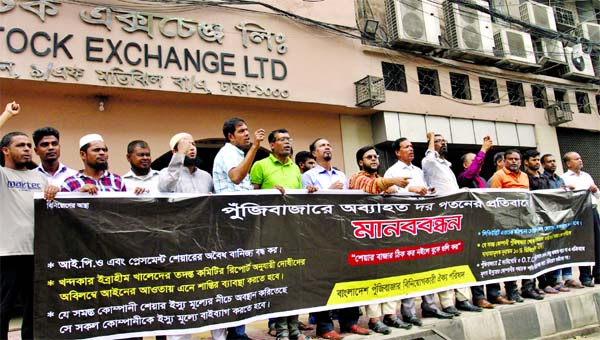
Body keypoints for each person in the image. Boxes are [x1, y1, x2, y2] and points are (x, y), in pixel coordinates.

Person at [0, 101, 58, 340]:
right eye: (20, 145)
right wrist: (5, 115)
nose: (27, 149)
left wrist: (57, 190)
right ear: (5, 150)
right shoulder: (2, 175)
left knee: (34, 309)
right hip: (8, 253)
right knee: (4, 308)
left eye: (28, 146)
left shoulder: (40, 178)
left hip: (37, 253)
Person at [302, 138, 370, 340]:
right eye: (322, 146)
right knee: (323, 280)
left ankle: (350, 323)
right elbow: (308, 207)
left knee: (348, 277)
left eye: (329, 145)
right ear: (314, 153)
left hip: (343, 233)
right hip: (320, 235)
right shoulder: (308, 177)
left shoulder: (342, 175)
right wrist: (329, 191)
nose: (327, 147)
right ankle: (324, 326)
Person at [250, 129, 311, 340]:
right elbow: (253, 199)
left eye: (289, 139)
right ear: (272, 144)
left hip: (294, 232)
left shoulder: (295, 168)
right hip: (271, 234)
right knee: (276, 283)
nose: (287, 142)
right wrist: (269, 194)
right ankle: (281, 330)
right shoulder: (260, 166)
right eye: (282, 140)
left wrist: (308, 192)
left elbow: (298, 198)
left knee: (294, 282)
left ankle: (294, 328)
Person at [383, 137, 451, 323]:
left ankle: (429, 305)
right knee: (409, 269)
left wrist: (429, 190)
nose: (411, 150)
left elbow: (423, 190)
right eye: (406, 147)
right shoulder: (393, 171)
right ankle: (408, 311)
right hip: (405, 226)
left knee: (427, 266)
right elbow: (391, 195)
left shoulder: (418, 171)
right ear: (397, 152)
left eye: (412, 147)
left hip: (424, 225)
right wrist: (412, 190)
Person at [155, 133, 213, 340]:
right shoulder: (165, 174)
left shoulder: (206, 177)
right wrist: (178, 159)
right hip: (178, 245)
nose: (192, 147)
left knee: (209, 293)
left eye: (194, 143)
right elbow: (166, 188)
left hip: (204, 244)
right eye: (186, 144)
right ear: (174, 151)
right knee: (181, 296)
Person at [349, 145, 412, 334]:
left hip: (386, 236)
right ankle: (375, 320)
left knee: (390, 276)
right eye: (369, 157)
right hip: (365, 238)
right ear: (361, 162)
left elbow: (389, 188)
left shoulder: (382, 179)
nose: (374, 159)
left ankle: (391, 316)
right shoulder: (356, 178)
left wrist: (392, 187)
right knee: (373, 279)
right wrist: (391, 183)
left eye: (376, 156)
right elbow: (371, 187)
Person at [213, 118, 265, 340]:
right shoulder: (227, 153)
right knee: (234, 279)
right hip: (230, 224)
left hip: (242, 223)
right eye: (242, 131)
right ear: (230, 136)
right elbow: (236, 177)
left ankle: (238, 332)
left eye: (248, 130)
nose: (247, 134)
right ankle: (235, 333)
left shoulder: (237, 154)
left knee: (242, 278)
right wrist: (255, 146)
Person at [422, 132, 482, 315]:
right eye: (438, 141)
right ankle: (447, 303)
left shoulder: (447, 166)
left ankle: (463, 299)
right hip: (442, 217)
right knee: (444, 261)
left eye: (444, 141)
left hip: (455, 217)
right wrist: (431, 138)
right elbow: (430, 156)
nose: (443, 143)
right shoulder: (429, 163)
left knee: (459, 258)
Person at [489, 149, 543, 301]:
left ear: (521, 161)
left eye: (516, 159)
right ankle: (512, 290)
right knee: (511, 258)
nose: (514, 161)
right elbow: (494, 200)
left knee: (527, 255)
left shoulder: (525, 176)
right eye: (511, 159)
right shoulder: (498, 176)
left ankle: (528, 288)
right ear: (504, 161)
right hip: (507, 223)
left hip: (524, 222)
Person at [456, 136, 495, 309]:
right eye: (473, 161)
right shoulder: (464, 177)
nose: (478, 163)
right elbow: (472, 171)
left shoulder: (483, 181)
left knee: (491, 260)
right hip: (471, 228)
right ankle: (478, 296)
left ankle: (493, 294)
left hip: (487, 226)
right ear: (466, 165)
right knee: (476, 262)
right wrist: (483, 150)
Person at [541, 154, 582, 290]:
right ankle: (556, 280)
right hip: (550, 219)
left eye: (554, 161)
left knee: (565, 246)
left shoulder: (560, 179)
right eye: (549, 162)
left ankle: (567, 277)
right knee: (553, 248)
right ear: (543, 165)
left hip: (563, 217)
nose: (552, 164)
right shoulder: (543, 180)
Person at [561, 151, 600, 287]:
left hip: (592, 210)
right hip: (578, 214)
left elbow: (598, 196)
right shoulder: (564, 178)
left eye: (580, 157)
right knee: (583, 245)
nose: (580, 160)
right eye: (576, 159)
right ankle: (585, 276)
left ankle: (598, 274)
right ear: (568, 163)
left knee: (597, 243)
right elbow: (563, 199)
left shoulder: (587, 176)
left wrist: (595, 190)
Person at [523, 150, 559, 295]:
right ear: (526, 162)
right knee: (535, 253)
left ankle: (551, 282)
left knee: (548, 251)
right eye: (534, 160)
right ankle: (540, 283)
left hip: (546, 219)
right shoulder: (526, 177)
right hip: (532, 220)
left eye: (538, 160)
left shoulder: (544, 178)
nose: (537, 162)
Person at [61, 134, 126, 193]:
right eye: (96, 150)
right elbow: (65, 205)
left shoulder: (118, 180)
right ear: (83, 154)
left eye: (104, 150)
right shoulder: (70, 183)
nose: (102, 153)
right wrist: (79, 194)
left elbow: (125, 205)